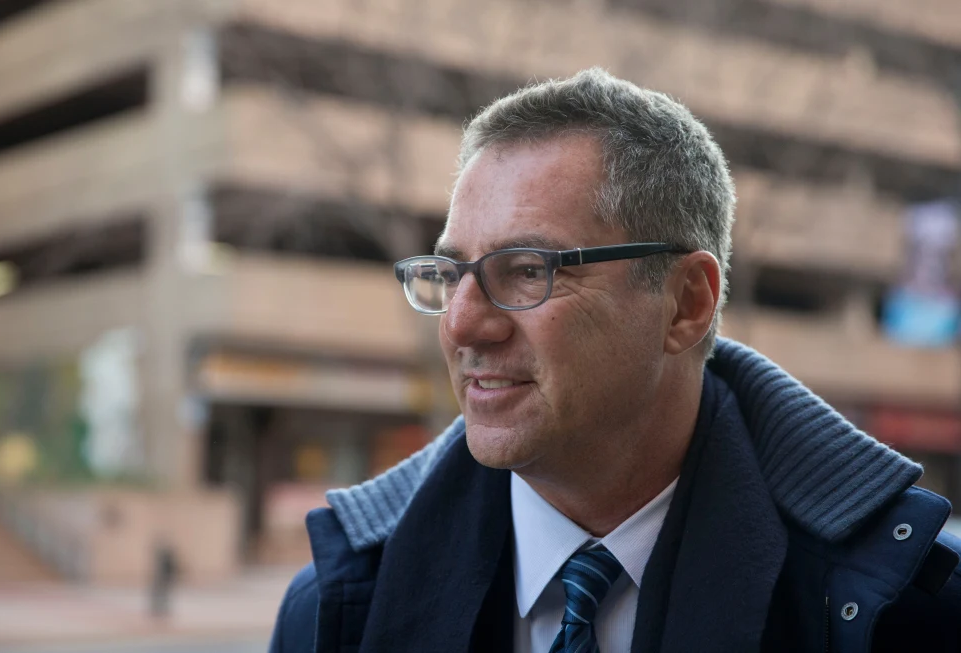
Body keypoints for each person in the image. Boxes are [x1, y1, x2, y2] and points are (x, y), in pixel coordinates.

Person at [269, 69, 961, 653]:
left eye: (528, 270)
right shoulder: (335, 611)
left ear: (686, 303)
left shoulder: (912, 607)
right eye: (451, 274)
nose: (461, 323)